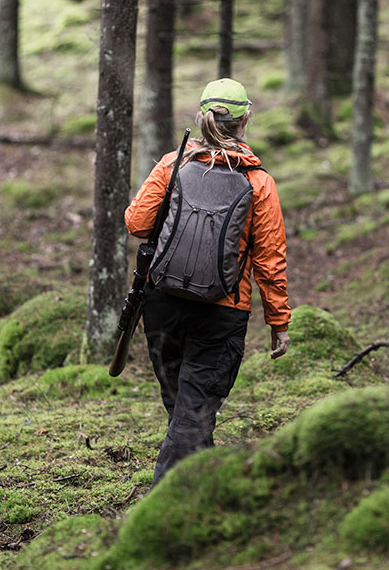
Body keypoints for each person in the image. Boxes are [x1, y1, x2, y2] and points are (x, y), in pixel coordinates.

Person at [124, 78, 291, 486]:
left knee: (185, 405)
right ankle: (166, 504)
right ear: (245, 118)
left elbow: (136, 223)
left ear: (201, 117)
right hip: (222, 311)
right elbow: (269, 260)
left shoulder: (173, 163)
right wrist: (279, 323)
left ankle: (202, 484)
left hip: (162, 302)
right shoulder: (258, 182)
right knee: (193, 408)